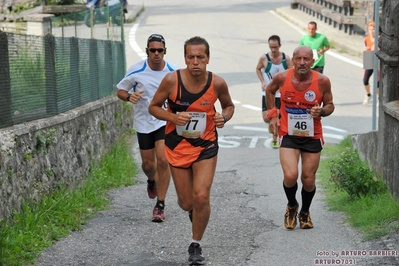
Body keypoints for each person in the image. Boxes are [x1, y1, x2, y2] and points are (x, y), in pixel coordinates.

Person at [148, 36, 235, 265]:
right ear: (185, 58)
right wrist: (173, 117)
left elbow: (228, 105)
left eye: (200, 57)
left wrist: (223, 117)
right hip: (177, 145)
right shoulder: (171, 80)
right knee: (186, 203)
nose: (195, 61)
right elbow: (154, 107)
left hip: (206, 145)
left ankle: (196, 244)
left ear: (207, 58)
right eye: (191, 57)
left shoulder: (217, 83)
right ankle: (194, 213)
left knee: (201, 196)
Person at [265, 45, 334, 230]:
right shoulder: (282, 77)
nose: (302, 63)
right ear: (292, 60)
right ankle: (292, 205)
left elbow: (330, 105)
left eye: (306, 59)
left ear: (312, 61)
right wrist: (273, 115)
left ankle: (305, 212)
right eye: (298, 59)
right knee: (290, 175)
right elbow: (269, 91)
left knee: (308, 179)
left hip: (312, 135)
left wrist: (322, 111)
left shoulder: (322, 81)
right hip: (289, 133)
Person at [116, 34, 178, 223]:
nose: (157, 53)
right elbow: (120, 90)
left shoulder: (173, 72)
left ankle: (160, 205)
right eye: (153, 50)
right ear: (147, 51)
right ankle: (151, 180)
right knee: (148, 165)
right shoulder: (137, 70)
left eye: (160, 50)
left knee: (163, 160)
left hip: (164, 121)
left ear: (165, 51)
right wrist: (129, 97)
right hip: (144, 122)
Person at [256, 35, 293, 149]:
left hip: (281, 94)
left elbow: (291, 73)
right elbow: (258, 69)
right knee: (266, 117)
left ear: (280, 46)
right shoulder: (264, 58)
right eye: (271, 47)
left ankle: (275, 138)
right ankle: (273, 128)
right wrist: (262, 81)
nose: (273, 50)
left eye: (275, 47)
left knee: (278, 117)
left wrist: (286, 86)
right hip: (268, 93)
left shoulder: (286, 59)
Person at [362, 21, 379, 105]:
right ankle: (368, 95)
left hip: (377, 60)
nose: (372, 31)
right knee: (365, 80)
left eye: (373, 29)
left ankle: (379, 98)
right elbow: (366, 49)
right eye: (370, 29)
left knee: (378, 82)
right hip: (369, 58)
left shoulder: (379, 39)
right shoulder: (366, 39)